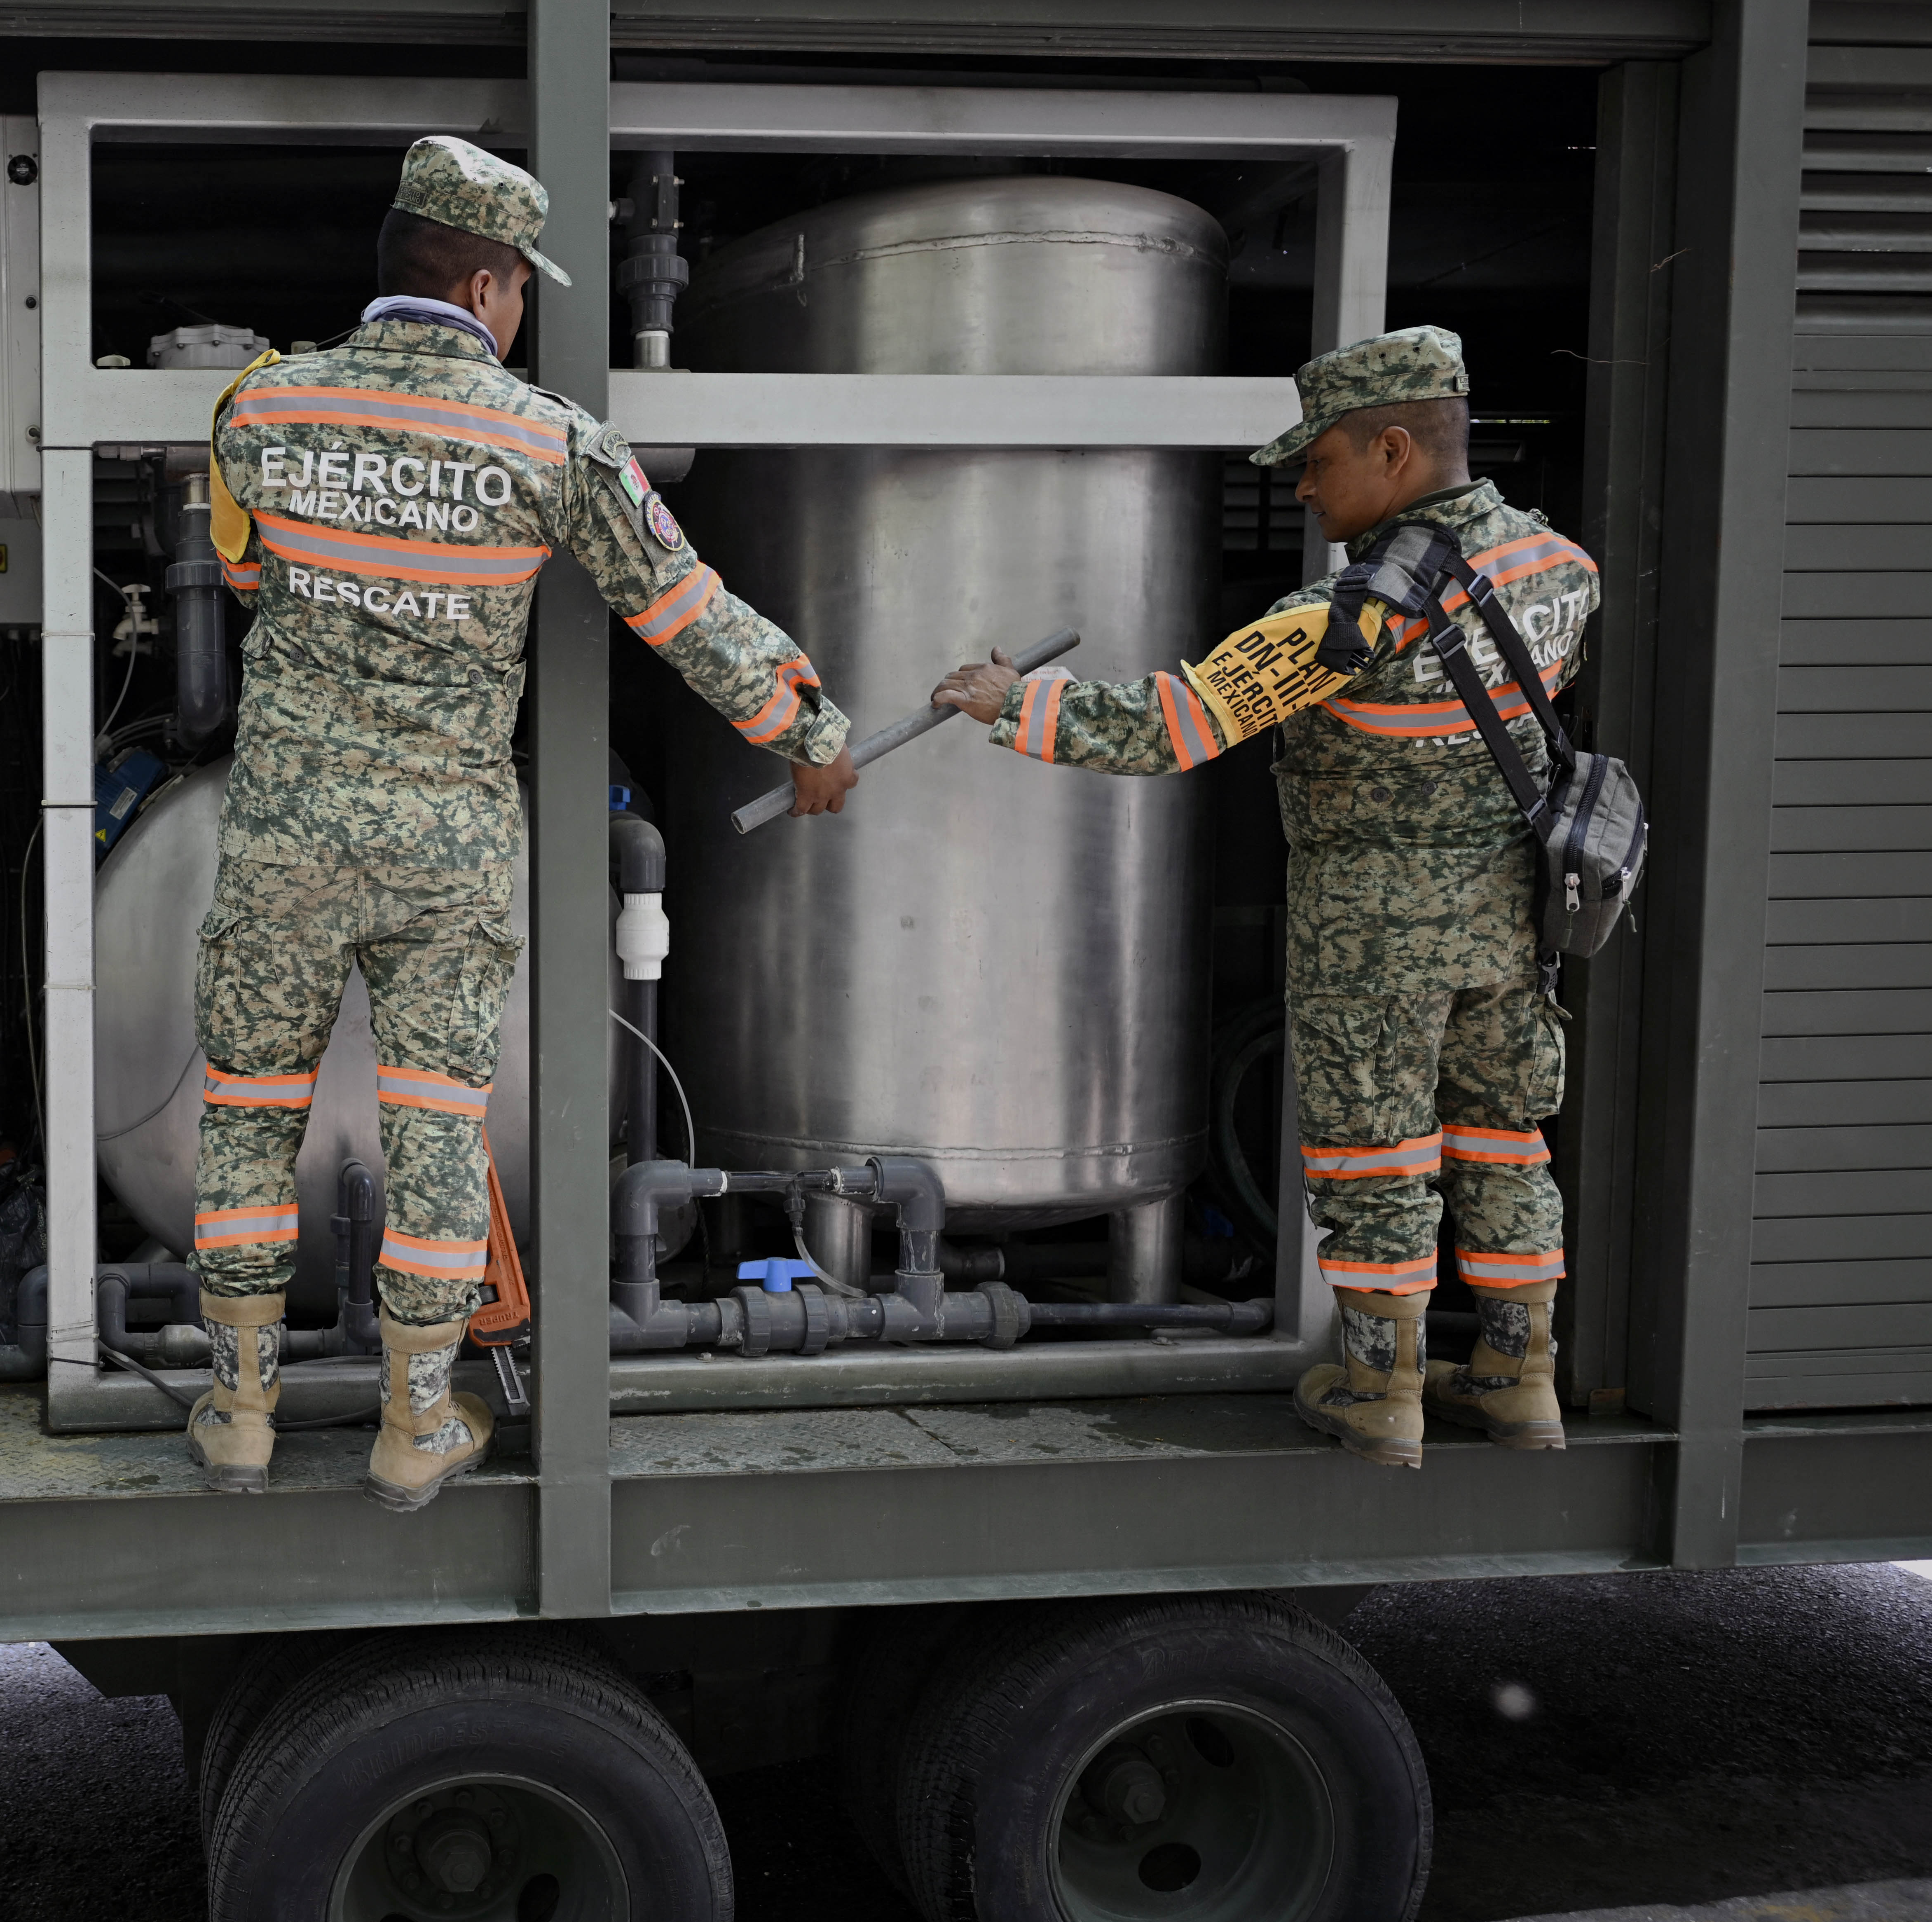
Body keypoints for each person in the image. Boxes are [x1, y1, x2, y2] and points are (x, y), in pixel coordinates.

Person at [190, 136, 860, 1510]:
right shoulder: (550, 440)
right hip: (447, 845)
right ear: (489, 284)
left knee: (249, 1114)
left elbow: (245, 571)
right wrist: (811, 728)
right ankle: (415, 1424)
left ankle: (240, 1404)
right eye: (521, 292)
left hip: (285, 838)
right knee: (438, 1125)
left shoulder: (259, 408)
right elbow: (688, 614)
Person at [930, 325, 1599, 1471]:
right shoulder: (1562, 570)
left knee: (1377, 1159)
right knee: (1504, 1139)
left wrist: (1014, 701)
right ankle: (1517, 1375)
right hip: (1510, 926)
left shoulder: (1351, 613)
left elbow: (1169, 725)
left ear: (1394, 449)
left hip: (1374, 938)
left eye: (1320, 460)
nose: (1302, 485)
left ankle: (1382, 1394)